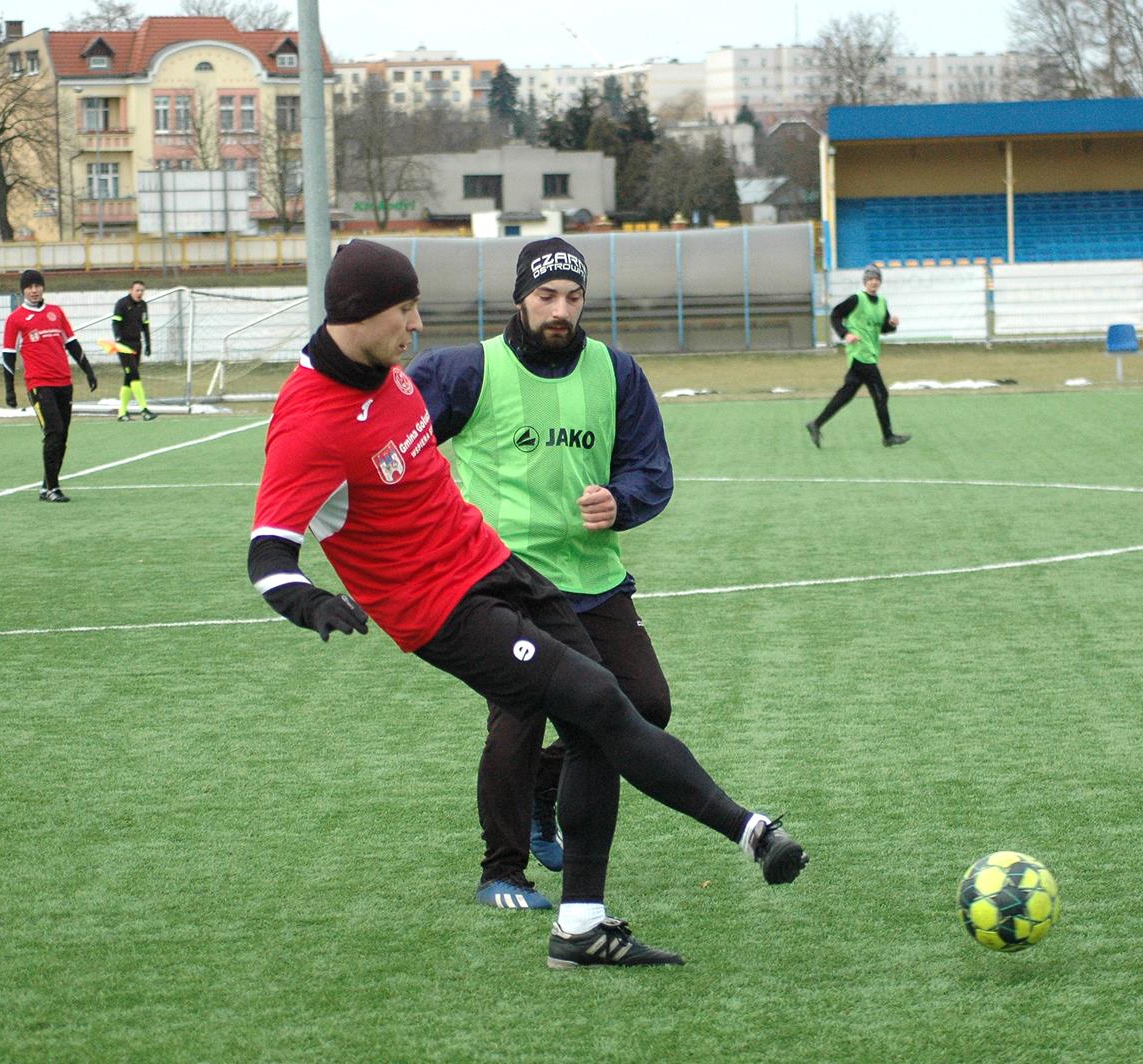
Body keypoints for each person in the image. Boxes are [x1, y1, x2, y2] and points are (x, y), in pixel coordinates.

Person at [248, 239, 807, 968]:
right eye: (405, 311)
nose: (417, 326)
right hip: (441, 610)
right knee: (600, 700)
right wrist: (307, 601)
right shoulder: (310, 422)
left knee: (597, 723)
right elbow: (267, 553)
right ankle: (751, 831)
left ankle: (580, 927)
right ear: (358, 314)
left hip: (495, 563)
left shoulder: (387, 375)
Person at [407, 238, 673, 913]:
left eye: (573, 298)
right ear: (521, 297)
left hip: (594, 578)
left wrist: (623, 500)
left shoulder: (617, 372)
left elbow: (651, 469)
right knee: (519, 713)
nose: (561, 310)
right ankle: (503, 870)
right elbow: (393, 443)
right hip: (502, 583)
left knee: (644, 705)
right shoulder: (466, 372)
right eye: (547, 297)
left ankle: (543, 789)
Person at [1, 269, 98, 502]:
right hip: (39, 384)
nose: (34, 290)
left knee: (62, 435)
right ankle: (53, 488)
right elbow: (8, 354)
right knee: (53, 431)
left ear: (43, 287)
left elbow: (72, 343)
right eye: (29, 287)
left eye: (38, 285)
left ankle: (46, 485)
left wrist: (88, 370)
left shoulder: (56, 312)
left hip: (63, 381)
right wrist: (9, 389)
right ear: (23, 290)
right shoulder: (16, 319)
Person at [805, 264, 911, 448]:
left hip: (870, 353)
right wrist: (845, 334)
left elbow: (883, 328)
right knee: (881, 394)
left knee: (847, 393)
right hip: (860, 354)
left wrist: (892, 324)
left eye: (877, 279)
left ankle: (816, 424)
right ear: (865, 281)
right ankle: (888, 436)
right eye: (870, 279)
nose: (874, 282)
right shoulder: (856, 299)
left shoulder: (882, 303)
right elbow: (836, 315)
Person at [111, 280, 158, 422]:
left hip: (137, 344)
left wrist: (148, 344)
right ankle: (144, 409)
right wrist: (118, 338)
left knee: (129, 378)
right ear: (131, 290)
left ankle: (121, 413)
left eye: (142, 290)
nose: (140, 293)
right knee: (134, 375)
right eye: (137, 290)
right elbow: (115, 323)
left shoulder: (143, 305)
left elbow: (145, 326)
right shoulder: (122, 304)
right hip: (124, 345)